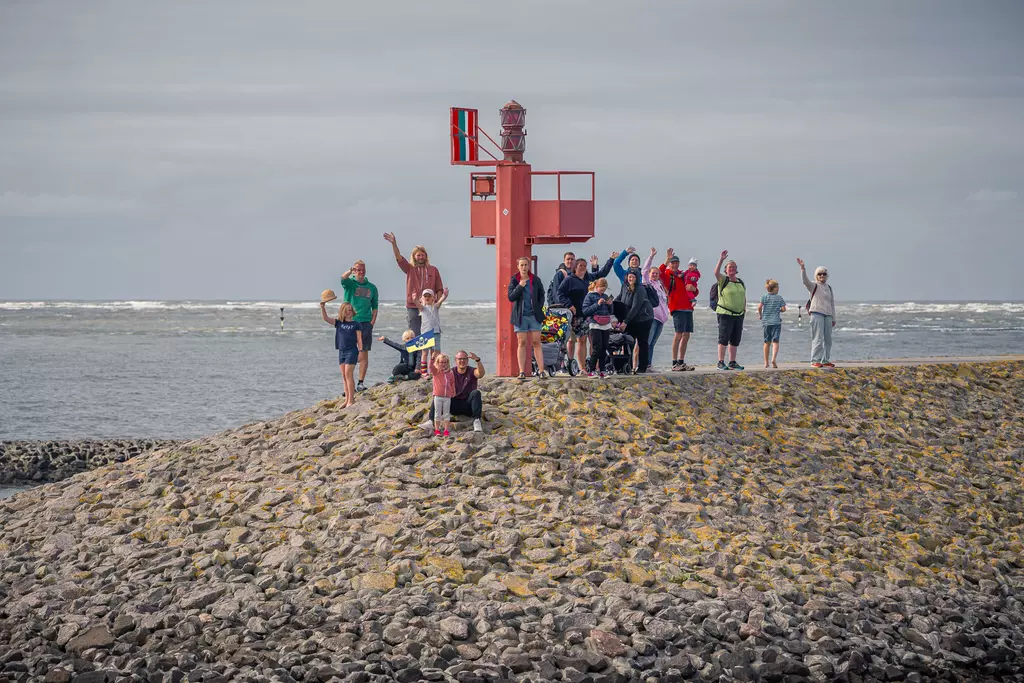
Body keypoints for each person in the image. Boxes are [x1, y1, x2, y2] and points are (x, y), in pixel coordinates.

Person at [557, 257, 613, 374]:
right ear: (575, 267)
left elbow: (602, 273)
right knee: (572, 340)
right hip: (574, 314)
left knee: (583, 340)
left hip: (587, 315)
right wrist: (569, 305)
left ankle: (584, 368)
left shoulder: (588, 278)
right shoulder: (569, 279)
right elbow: (560, 293)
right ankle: (573, 365)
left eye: (584, 265)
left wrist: (611, 259)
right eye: (580, 265)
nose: (583, 267)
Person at [383, 233, 443, 337]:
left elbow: (439, 288)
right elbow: (399, 258)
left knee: (429, 335)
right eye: (418, 255)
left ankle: (429, 354)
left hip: (429, 307)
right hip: (413, 306)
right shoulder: (410, 268)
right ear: (414, 257)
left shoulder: (433, 270)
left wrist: (437, 302)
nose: (421, 257)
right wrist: (394, 243)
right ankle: (415, 354)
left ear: (426, 256)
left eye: (423, 255)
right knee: (415, 335)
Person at [420, 350, 486, 432]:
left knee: (476, 393)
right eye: (460, 359)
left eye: (464, 359)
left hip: (468, 405)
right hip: (453, 404)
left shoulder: (472, 371)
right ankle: (431, 421)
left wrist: (477, 360)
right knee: (439, 395)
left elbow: (481, 374)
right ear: (456, 360)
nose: (462, 361)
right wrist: (433, 358)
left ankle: (477, 420)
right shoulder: (450, 372)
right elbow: (435, 371)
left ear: (467, 360)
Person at [340, 260, 379, 391]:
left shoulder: (372, 287)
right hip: (350, 322)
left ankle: (360, 383)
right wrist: (350, 271)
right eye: (358, 270)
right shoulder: (350, 284)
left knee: (363, 354)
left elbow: (375, 306)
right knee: (348, 353)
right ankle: (347, 387)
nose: (361, 272)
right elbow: (343, 278)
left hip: (366, 323)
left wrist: (372, 322)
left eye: (362, 270)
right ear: (354, 271)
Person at [507, 257, 546, 380]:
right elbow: (511, 297)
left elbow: (542, 294)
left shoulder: (535, 280)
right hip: (520, 316)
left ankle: (541, 371)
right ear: (518, 267)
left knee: (536, 342)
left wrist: (538, 307)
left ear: (529, 266)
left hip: (534, 315)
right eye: (522, 265)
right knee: (522, 342)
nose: (524, 267)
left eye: (526, 265)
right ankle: (522, 371)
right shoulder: (514, 280)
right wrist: (520, 286)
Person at [320, 301, 362, 408]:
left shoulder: (356, 324)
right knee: (344, 376)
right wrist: (322, 306)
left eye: (350, 310)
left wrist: (361, 351)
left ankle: (351, 400)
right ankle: (347, 399)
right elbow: (325, 318)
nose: (349, 312)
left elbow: (359, 339)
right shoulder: (339, 323)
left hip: (352, 351)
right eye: (347, 310)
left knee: (348, 374)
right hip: (341, 351)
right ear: (342, 312)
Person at [659, 249, 696, 371]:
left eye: (676, 262)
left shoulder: (683, 274)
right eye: (672, 262)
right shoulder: (667, 275)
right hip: (677, 307)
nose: (675, 265)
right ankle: (674, 363)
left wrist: (694, 290)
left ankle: (681, 361)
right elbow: (659, 272)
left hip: (688, 308)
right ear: (670, 263)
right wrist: (666, 259)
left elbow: (693, 289)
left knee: (686, 335)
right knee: (678, 334)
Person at [797, 258, 837, 368]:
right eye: (820, 274)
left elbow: (832, 303)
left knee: (828, 339)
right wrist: (803, 268)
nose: (822, 276)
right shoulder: (814, 285)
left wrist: (833, 318)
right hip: (817, 313)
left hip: (828, 315)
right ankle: (815, 360)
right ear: (816, 275)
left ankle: (825, 359)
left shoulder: (829, 288)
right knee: (817, 338)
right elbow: (805, 281)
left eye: (824, 274)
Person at [616, 268, 654, 373]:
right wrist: (609, 305)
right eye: (629, 277)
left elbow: (635, 307)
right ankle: (626, 366)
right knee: (628, 342)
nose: (631, 278)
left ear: (637, 278)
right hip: (631, 320)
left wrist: (625, 322)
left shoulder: (640, 289)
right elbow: (618, 299)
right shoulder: (624, 286)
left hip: (643, 320)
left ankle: (642, 367)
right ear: (627, 277)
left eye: (633, 277)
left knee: (642, 342)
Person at [714, 250, 746, 371]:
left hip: (739, 314)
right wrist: (721, 260)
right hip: (725, 313)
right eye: (729, 267)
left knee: (735, 339)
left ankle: (732, 362)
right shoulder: (723, 280)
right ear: (726, 270)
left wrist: (744, 309)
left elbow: (743, 296)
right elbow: (715, 272)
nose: (732, 269)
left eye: (734, 267)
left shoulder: (740, 282)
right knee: (723, 338)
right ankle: (720, 362)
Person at [640, 248, 669, 371]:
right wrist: (651, 256)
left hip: (661, 319)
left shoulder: (659, 285)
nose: (655, 275)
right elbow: (644, 270)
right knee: (647, 342)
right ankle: (643, 365)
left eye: (657, 273)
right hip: (652, 317)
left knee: (652, 344)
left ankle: (649, 364)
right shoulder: (648, 284)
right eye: (653, 273)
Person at [582, 278, 615, 377]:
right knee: (597, 347)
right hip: (595, 324)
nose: (602, 292)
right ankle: (591, 370)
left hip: (605, 324)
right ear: (596, 287)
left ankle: (602, 370)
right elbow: (585, 311)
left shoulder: (605, 296)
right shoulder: (590, 296)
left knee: (605, 347)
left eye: (604, 290)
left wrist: (610, 305)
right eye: (601, 290)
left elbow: (611, 312)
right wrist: (597, 304)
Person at [417, 287, 449, 377]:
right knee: (425, 352)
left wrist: (444, 295)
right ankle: (424, 372)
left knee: (436, 352)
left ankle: (435, 370)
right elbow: (416, 303)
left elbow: (441, 301)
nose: (427, 298)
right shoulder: (422, 308)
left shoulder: (435, 307)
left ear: (433, 298)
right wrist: (415, 298)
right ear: (423, 298)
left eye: (429, 296)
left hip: (436, 332)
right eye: (425, 296)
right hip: (425, 333)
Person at [758, 280, 787, 368]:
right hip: (776, 322)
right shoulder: (779, 298)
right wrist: (779, 310)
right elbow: (784, 309)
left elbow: (759, 307)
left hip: (766, 322)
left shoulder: (764, 297)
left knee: (767, 342)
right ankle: (773, 359)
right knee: (775, 341)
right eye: (777, 287)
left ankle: (766, 362)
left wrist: (761, 315)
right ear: (774, 289)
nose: (778, 289)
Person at [430, 353, 456, 437]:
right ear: (438, 362)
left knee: (446, 413)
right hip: (438, 396)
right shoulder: (436, 372)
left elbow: (452, 383)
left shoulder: (450, 372)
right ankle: (437, 430)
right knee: (437, 413)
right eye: (441, 362)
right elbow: (431, 367)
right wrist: (432, 359)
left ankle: (446, 430)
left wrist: (453, 391)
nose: (443, 364)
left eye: (445, 362)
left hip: (447, 396)